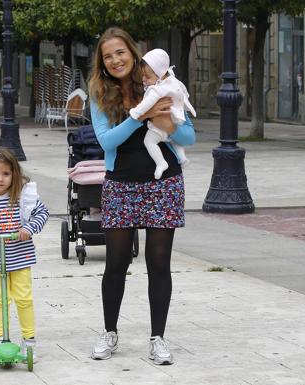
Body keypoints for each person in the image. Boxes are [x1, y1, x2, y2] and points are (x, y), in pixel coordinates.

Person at [88, 27, 196, 365]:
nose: (115, 60)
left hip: (164, 184)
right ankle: (109, 333)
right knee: (116, 264)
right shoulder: (100, 94)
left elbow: (190, 137)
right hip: (120, 185)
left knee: (159, 263)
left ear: (133, 54)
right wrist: (142, 116)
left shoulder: (158, 84)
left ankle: (158, 338)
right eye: (108, 56)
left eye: (120, 52)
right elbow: (107, 142)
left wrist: (165, 119)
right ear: (102, 64)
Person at [0, 147, 49, 360]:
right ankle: (0, 337)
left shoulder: (23, 197)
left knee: (23, 297)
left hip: (20, 256)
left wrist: (28, 229)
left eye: (5, 173)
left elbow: (42, 213)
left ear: (14, 173)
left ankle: (29, 339)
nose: (0, 179)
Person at [129, 48, 197, 179]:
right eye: (142, 76)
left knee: (149, 142)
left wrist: (136, 113)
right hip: (176, 119)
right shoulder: (173, 82)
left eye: (147, 77)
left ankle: (161, 163)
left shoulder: (155, 89)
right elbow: (183, 93)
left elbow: (146, 104)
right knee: (174, 141)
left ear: (160, 75)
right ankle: (182, 157)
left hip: (160, 128)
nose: (143, 79)